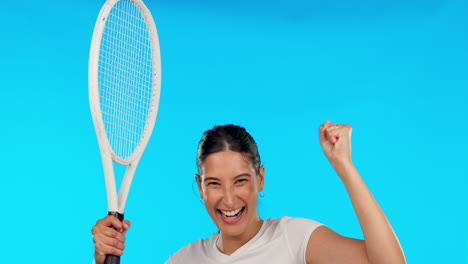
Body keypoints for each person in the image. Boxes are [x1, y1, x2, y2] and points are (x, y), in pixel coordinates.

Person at [91, 121, 406, 264]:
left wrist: (344, 166)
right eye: (215, 183)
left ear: (260, 179)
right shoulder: (183, 260)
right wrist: (100, 260)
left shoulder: (295, 238)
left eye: (240, 180)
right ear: (200, 187)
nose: (228, 199)